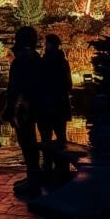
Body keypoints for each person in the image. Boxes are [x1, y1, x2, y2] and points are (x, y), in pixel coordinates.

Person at [1, 25, 44, 196]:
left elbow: (15, 87)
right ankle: (33, 177)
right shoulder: (36, 57)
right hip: (35, 104)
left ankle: (33, 180)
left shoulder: (20, 61)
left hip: (24, 107)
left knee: (27, 142)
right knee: (30, 142)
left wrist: (11, 108)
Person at [37, 33, 73, 182]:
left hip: (45, 106)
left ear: (49, 45)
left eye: (46, 43)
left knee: (46, 138)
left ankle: (47, 168)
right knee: (61, 137)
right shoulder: (63, 63)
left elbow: (38, 83)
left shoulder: (43, 62)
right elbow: (68, 85)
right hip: (60, 105)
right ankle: (63, 168)